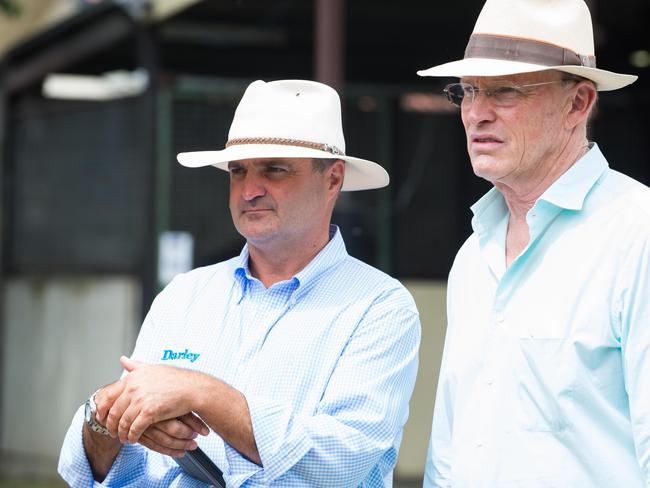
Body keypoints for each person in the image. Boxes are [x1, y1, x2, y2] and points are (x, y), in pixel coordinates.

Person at [58, 79, 421, 487]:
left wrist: (204, 394)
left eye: (274, 170)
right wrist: (105, 418)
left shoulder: (379, 306)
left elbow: (341, 460)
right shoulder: (184, 295)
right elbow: (106, 472)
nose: (249, 190)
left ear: (333, 179)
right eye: (238, 171)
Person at [417, 0, 650, 486]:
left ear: (578, 103)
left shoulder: (636, 232)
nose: (476, 113)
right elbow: (450, 445)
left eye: (504, 92)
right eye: (468, 91)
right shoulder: (474, 253)